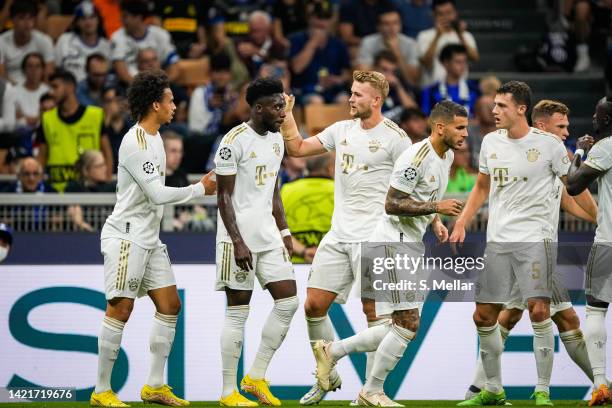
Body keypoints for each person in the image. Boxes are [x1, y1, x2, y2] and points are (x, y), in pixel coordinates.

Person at [312, 100, 466, 406]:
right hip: (390, 242)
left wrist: (433, 221)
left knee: (398, 325)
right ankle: (371, 391)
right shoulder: (416, 157)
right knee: (407, 323)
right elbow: (392, 203)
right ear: (440, 127)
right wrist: (436, 207)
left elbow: (421, 194)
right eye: (460, 127)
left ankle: (334, 354)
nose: (465, 134)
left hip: (408, 242)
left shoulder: (445, 155)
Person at [280, 70, 412, 405]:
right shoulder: (341, 130)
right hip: (338, 235)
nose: (350, 99)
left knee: (375, 315)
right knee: (313, 306)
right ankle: (327, 374)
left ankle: (370, 391)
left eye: (357, 94)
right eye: (350, 93)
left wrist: (436, 219)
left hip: (375, 237)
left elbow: (414, 183)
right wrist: (288, 117)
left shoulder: (397, 138)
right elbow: (296, 148)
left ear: (376, 100)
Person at [91, 70, 216, 408]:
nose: (176, 105)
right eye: (171, 100)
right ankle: (102, 390)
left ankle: (154, 386)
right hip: (127, 237)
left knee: (170, 305)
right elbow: (158, 195)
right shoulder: (135, 142)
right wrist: (199, 190)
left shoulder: (158, 138)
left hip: (149, 239)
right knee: (121, 307)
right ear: (155, 104)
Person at [464, 98, 601, 402]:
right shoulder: (537, 151)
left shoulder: (554, 154)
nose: (566, 132)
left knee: (535, 317)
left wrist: (600, 218)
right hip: (521, 244)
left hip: (536, 246)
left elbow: (567, 199)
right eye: (560, 126)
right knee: (536, 317)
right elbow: (570, 196)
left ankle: (485, 387)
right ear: (541, 125)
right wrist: (602, 218)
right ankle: (486, 387)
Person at [450, 81, 572, 406]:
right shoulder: (490, 142)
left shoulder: (549, 145)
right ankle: (493, 389)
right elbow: (480, 187)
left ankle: (543, 390)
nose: (493, 111)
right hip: (498, 242)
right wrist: (462, 220)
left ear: (521, 109)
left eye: (501, 106)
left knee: (539, 310)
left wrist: (600, 216)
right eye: (494, 105)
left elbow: (572, 188)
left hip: (536, 240)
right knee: (483, 317)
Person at [213, 77, 297, 407]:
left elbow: (272, 190)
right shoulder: (232, 141)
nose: (283, 112)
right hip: (237, 241)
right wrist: (237, 241)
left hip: (268, 236)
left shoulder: (276, 141)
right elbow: (223, 197)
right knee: (237, 314)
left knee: (288, 302)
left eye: (284, 105)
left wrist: (285, 230)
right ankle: (227, 392)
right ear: (258, 108)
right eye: (278, 106)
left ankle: (256, 377)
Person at [566, 96, 612, 406]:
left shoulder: (605, 146)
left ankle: (599, 384)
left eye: (597, 117)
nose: (594, 122)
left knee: (596, 309)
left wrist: (580, 149)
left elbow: (572, 185)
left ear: (607, 120)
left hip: (609, 241)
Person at [35, 69, 113, 192]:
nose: (51, 92)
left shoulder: (95, 115)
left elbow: (107, 151)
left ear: (70, 87)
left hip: (89, 191)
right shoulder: (47, 119)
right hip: (57, 192)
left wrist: (106, 180)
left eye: (55, 87)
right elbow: (41, 157)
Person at [289, 4, 351, 104]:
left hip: (332, 90)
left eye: (326, 18)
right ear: (309, 18)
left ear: (331, 21)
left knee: (344, 99)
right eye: (318, 17)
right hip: (305, 90)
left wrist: (337, 79)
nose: (322, 22)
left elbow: (346, 73)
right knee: (316, 100)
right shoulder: (296, 39)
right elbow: (297, 68)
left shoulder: (338, 43)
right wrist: (312, 43)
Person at [281, 154, 335, 263]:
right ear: (330, 167)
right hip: (331, 262)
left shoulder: (286, 189)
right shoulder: (340, 191)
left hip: (294, 263)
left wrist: (304, 251)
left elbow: (276, 228)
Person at [110, 0, 179, 84]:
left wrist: (162, 85)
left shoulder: (160, 35)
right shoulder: (117, 37)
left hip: (160, 84)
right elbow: (122, 73)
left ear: (138, 17)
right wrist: (142, 88)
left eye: (125, 16)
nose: (121, 20)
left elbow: (175, 67)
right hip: (130, 86)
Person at [416, 0, 478, 87]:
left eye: (449, 13)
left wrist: (460, 35)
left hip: (460, 91)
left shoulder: (466, 35)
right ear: (434, 15)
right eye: (440, 14)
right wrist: (437, 36)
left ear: (455, 13)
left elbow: (474, 58)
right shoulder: (424, 36)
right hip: (433, 92)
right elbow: (426, 63)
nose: (445, 17)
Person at [356, 8, 420, 86]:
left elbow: (412, 81)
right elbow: (361, 76)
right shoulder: (368, 42)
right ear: (378, 27)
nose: (391, 28)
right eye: (386, 24)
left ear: (401, 25)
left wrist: (397, 53)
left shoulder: (410, 44)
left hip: (402, 87)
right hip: (375, 86)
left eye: (395, 23)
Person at [54, 0, 111, 83]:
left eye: (92, 17)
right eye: (83, 18)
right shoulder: (65, 40)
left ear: (98, 20)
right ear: (77, 22)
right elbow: (55, 69)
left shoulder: (107, 46)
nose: (88, 22)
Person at [0, 0, 54, 85]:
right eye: (22, 18)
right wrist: (19, 90)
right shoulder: (1, 41)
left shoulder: (45, 41)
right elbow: (1, 75)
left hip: (38, 88)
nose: (27, 23)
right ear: (12, 20)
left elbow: (49, 73)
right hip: (9, 89)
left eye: (30, 18)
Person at [421, 44, 479, 117]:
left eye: (464, 61)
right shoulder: (430, 91)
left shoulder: (474, 88)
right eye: (458, 62)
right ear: (446, 63)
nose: (463, 66)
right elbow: (425, 119)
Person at [236, 11, 287, 78]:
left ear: (268, 29)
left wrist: (258, 52)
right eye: (252, 31)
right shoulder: (243, 43)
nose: (255, 35)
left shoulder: (278, 45)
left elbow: (282, 66)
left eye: (258, 31)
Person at [14, 52, 48, 130]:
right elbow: (14, 119)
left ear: (43, 70)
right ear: (24, 70)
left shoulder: (49, 92)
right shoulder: (13, 92)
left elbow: (50, 118)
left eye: (37, 66)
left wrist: (25, 118)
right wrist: (39, 118)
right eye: (30, 66)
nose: (34, 70)